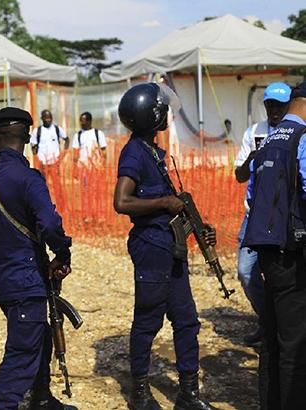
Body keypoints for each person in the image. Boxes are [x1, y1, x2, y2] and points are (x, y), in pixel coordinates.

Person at [0, 107, 74, 410]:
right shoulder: (29, 178)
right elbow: (49, 224)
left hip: (5, 283)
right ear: (28, 136)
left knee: (40, 336)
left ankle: (42, 398)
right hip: (28, 280)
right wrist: (62, 253)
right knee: (21, 353)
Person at [113, 83, 216, 410]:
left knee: (186, 320)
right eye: (162, 109)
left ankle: (188, 394)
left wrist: (200, 227)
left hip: (171, 248)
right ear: (151, 115)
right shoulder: (134, 153)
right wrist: (163, 202)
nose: (168, 115)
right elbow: (121, 202)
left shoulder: (152, 151)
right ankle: (139, 395)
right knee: (147, 322)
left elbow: (174, 205)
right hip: (151, 248)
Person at [243, 81, 306, 410]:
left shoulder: (268, 140)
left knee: (272, 338)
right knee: (294, 345)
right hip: (291, 255)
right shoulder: (302, 139)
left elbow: (254, 195)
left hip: (267, 251)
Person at [233, 82, 291, 346]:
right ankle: (267, 320)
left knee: (283, 274)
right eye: (270, 104)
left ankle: (283, 327)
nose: (275, 109)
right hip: (254, 215)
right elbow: (239, 175)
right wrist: (253, 157)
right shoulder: (254, 132)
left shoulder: (297, 133)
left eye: (280, 104)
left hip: (285, 217)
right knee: (246, 271)